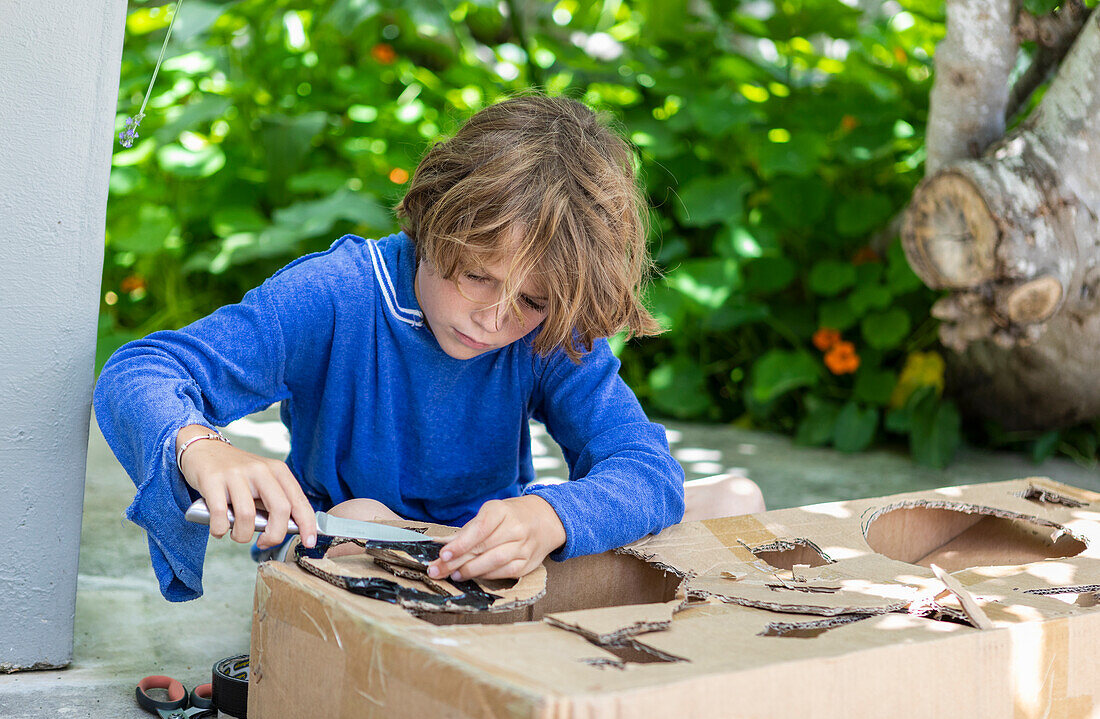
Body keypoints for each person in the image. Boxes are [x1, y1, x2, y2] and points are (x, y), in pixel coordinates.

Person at [94, 94, 763, 602]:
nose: (494, 319)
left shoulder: (548, 326)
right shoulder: (337, 295)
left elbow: (644, 466)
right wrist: (199, 443)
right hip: (361, 557)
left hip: (497, 565)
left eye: (529, 302)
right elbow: (140, 369)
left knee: (737, 498)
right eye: (477, 275)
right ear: (435, 217)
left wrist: (549, 515)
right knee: (357, 521)